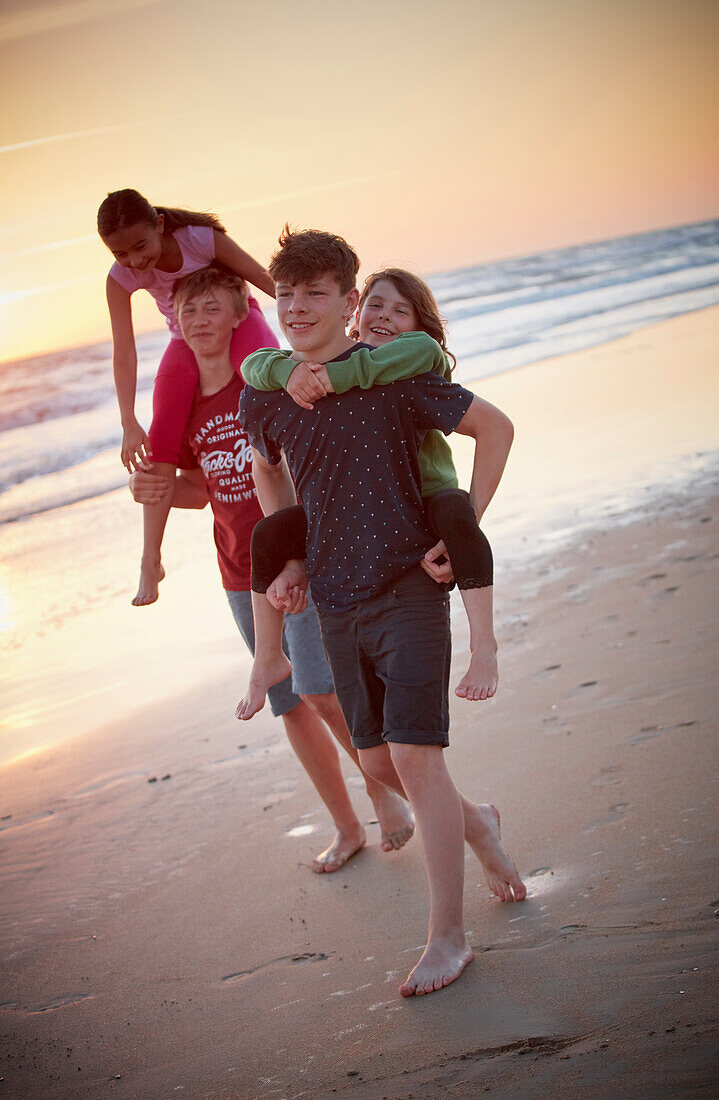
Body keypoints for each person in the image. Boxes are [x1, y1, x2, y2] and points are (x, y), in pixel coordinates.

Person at [239, 227, 526, 998]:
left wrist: (461, 523)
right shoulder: (268, 391)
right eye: (286, 293)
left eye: (314, 293)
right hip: (335, 596)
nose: (297, 307)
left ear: (346, 300)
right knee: (375, 763)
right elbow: (269, 471)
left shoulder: (393, 376)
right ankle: (482, 826)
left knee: (414, 757)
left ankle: (448, 937)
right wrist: (292, 558)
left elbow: (493, 428)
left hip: (406, 584)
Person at [129, 264, 414, 873]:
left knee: (323, 691)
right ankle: (346, 829)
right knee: (290, 706)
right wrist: (149, 487)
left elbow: (291, 462)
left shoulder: (261, 382)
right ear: (174, 326)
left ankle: (384, 793)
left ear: (238, 315)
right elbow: (202, 491)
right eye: (188, 313)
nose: (199, 321)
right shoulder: (187, 406)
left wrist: (301, 560)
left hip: (290, 564)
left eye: (212, 309)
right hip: (238, 573)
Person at [240, 267, 497, 717]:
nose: (385, 316)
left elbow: (492, 425)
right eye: (375, 305)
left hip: (425, 501)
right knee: (267, 533)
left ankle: (484, 645)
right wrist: (286, 369)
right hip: (348, 514)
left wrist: (335, 377)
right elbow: (253, 363)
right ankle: (267, 657)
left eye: (402, 311)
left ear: (421, 326)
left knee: (458, 512)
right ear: (355, 311)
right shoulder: (313, 371)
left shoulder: (413, 357)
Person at [97, 187, 277, 607]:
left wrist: (307, 316)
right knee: (160, 441)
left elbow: (261, 278)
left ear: (160, 225)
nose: (135, 261)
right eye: (121, 254)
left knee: (267, 386)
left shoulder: (199, 238)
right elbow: (123, 349)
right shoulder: (120, 278)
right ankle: (150, 560)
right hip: (185, 334)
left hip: (239, 317)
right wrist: (128, 421)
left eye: (141, 246)